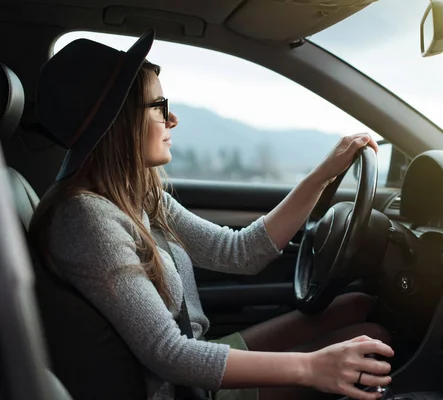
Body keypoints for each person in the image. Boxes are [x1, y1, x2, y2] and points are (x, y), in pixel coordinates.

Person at [29, 29, 393, 400]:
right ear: (119, 121)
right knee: (373, 343)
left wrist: (323, 174)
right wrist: (313, 368)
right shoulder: (87, 218)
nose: (173, 119)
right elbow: (169, 354)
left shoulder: (137, 194)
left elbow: (239, 252)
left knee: (355, 306)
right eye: (158, 106)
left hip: (191, 369)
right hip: (179, 389)